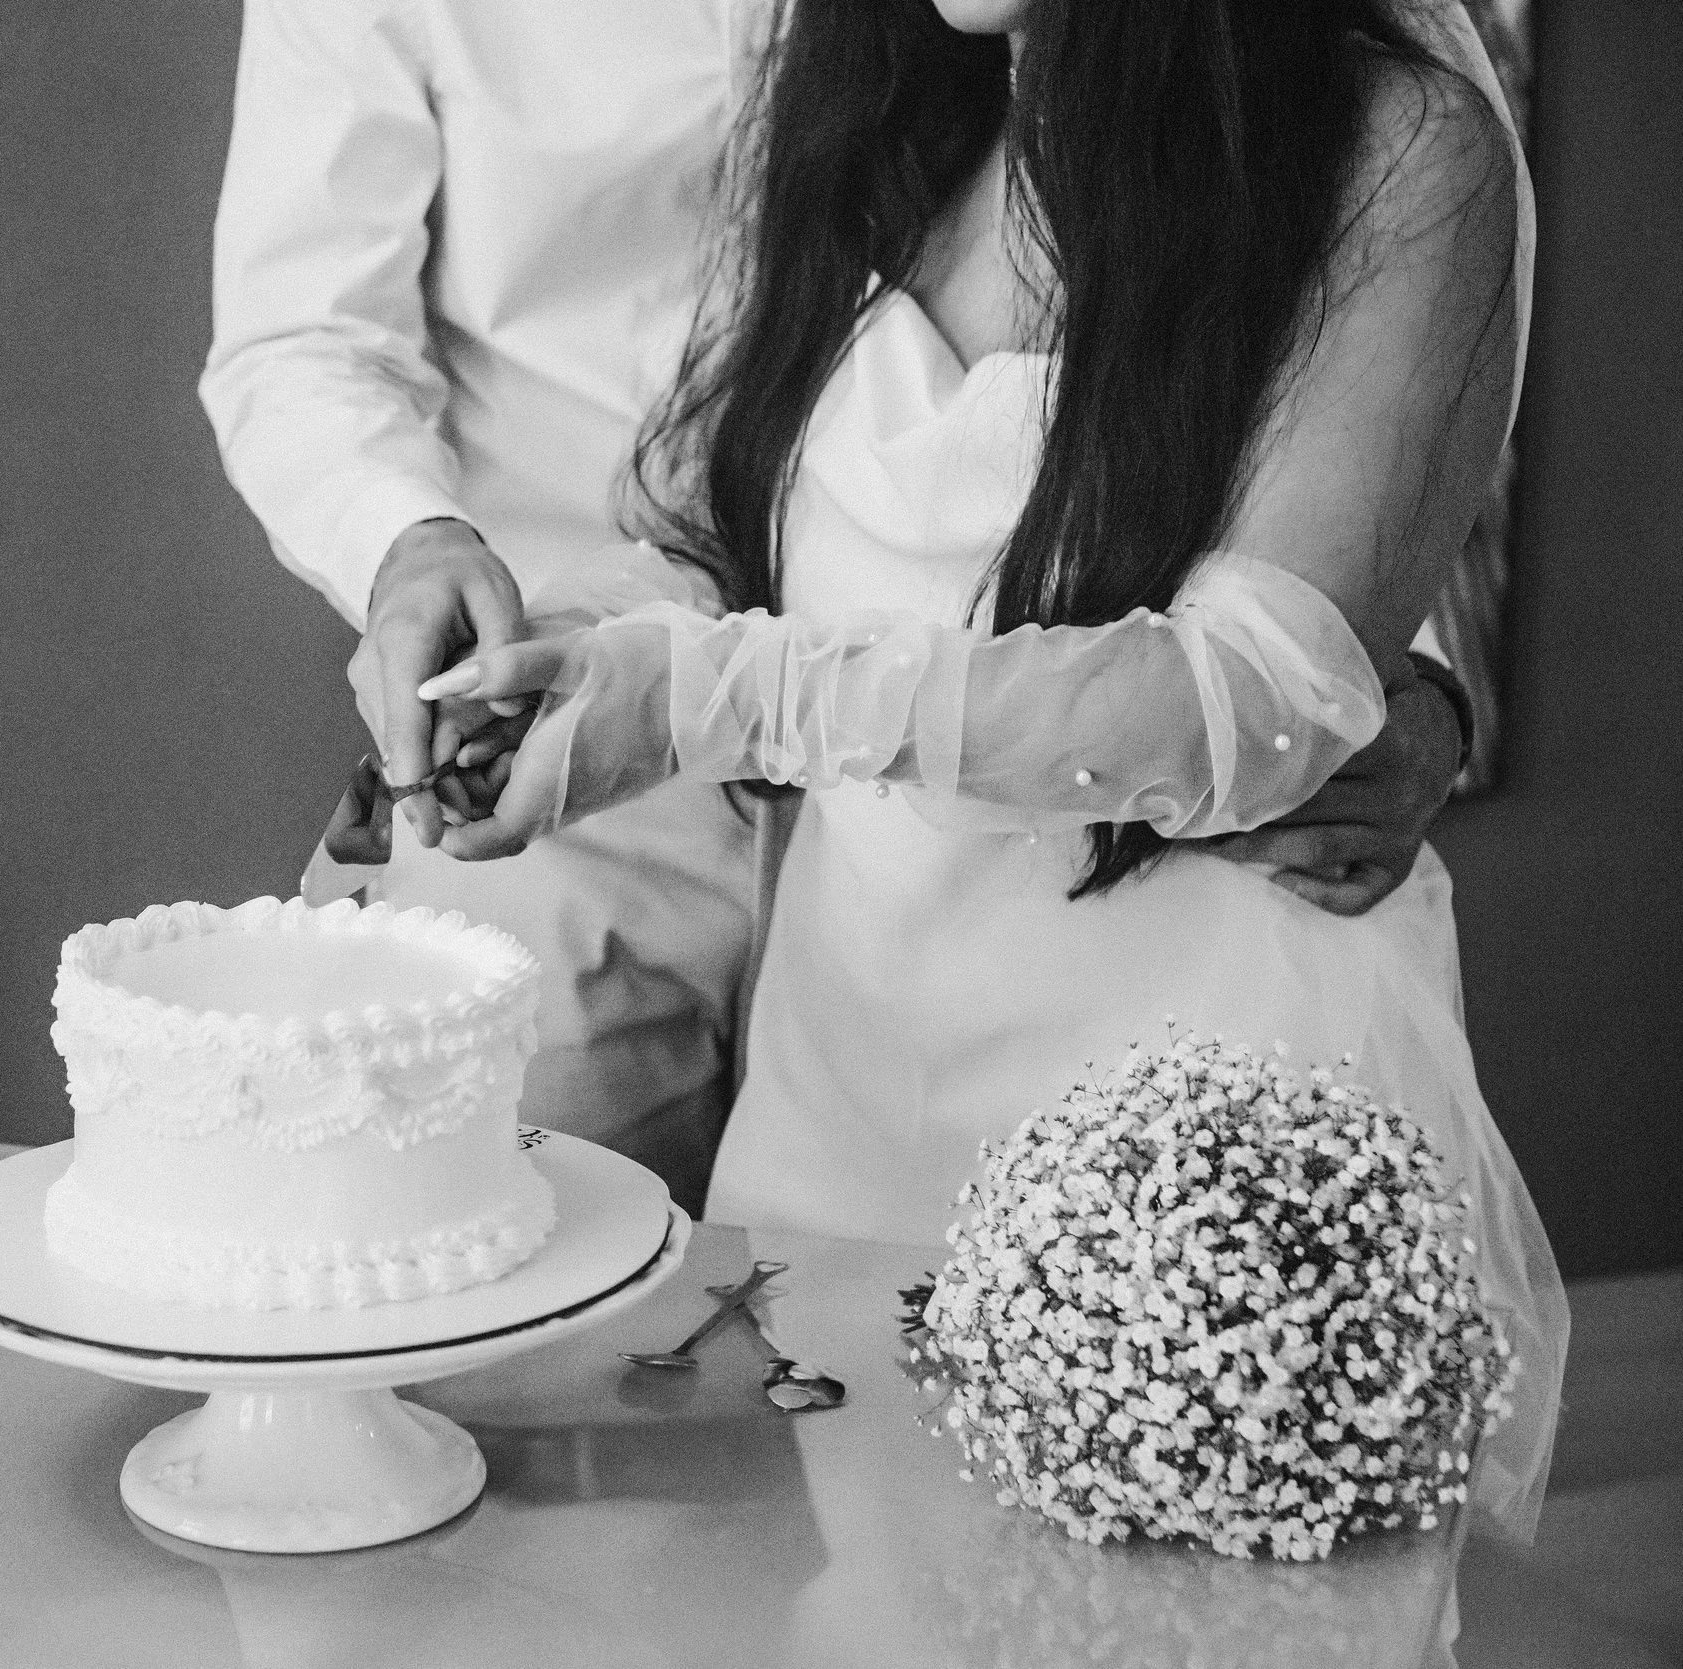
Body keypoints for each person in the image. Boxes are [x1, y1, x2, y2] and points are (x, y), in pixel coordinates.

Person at [420, 0, 1564, 1540]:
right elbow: (723, 560)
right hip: (848, 1101)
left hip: (1197, 1170)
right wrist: (532, 664)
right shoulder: (873, 114)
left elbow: (1247, 694)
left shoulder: (1396, 152)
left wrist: (725, 695)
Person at [201, 0, 1474, 1214]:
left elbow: (1291, 503)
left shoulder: (1367, 142)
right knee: (561, 1335)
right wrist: (428, 562)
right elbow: (306, 344)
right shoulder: (898, 114)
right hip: (590, 775)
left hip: (1083, 870)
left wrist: (1364, 671)